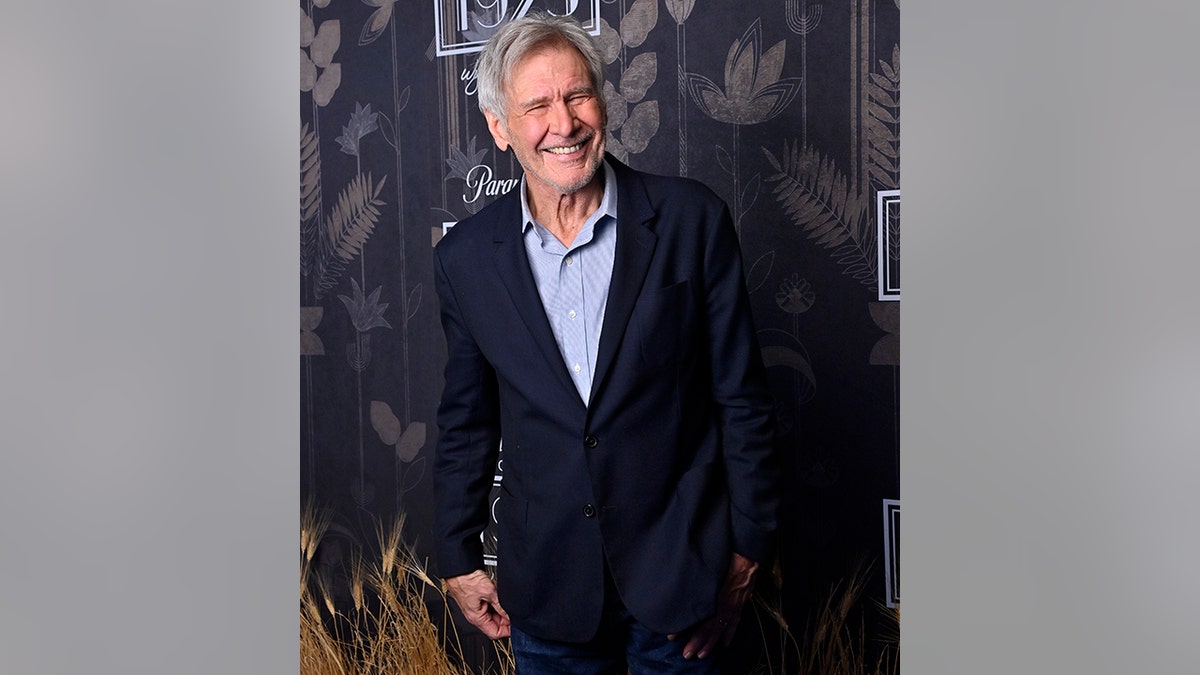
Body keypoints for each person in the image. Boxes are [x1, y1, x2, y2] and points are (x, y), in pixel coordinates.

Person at [432, 12, 779, 673]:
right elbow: (466, 421)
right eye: (536, 105)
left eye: (577, 95)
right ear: (500, 128)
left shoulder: (690, 220)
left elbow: (742, 396)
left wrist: (748, 548)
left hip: (684, 581)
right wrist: (457, 555)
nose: (563, 124)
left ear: (603, 101)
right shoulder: (465, 259)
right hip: (548, 590)